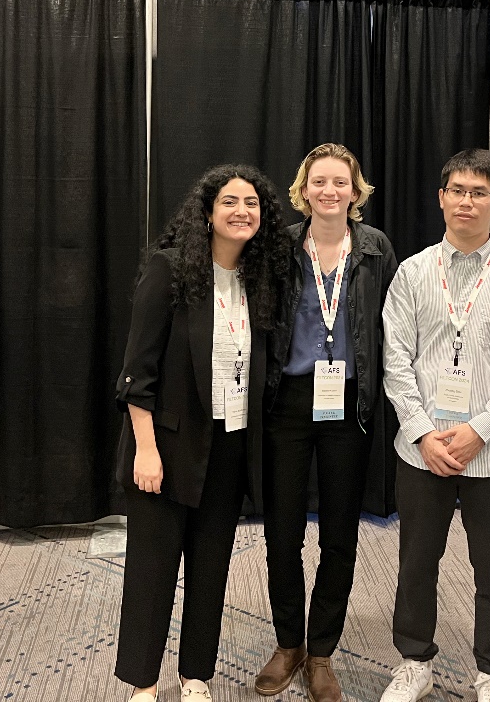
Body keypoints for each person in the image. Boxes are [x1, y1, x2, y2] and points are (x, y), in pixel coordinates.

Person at [380, 148, 490, 702]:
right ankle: (414, 661)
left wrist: (480, 429)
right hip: (422, 449)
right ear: (441, 198)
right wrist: (422, 432)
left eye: (479, 193)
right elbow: (395, 361)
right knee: (416, 561)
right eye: (457, 190)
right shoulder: (412, 272)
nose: (467, 201)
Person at [114, 164, 289, 702]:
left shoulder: (258, 281)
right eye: (230, 202)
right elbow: (136, 373)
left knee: (211, 568)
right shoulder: (170, 270)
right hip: (166, 445)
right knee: (153, 569)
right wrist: (146, 450)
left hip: (230, 444)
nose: (242, 211)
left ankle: (196, 676)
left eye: (252, 203)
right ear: (207, 213)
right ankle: (143, 684)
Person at [255, 144, 398, 702]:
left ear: (355, 191)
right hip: (288, 402)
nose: (330, 191)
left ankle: (321, 652)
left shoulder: (376, 248)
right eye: (319, 181)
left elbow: (391, 326)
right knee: (282, 532)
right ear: (304, 189)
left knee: (340, 533)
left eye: (341, 182)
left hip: (349, 405)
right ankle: (288, 642)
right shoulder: (283, 246)